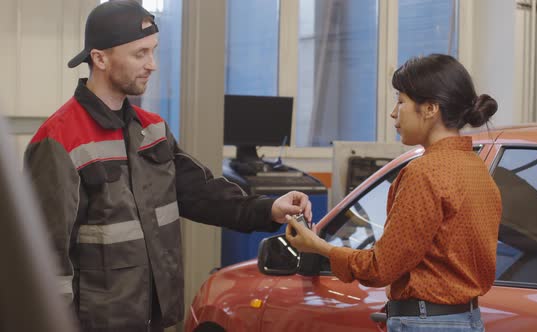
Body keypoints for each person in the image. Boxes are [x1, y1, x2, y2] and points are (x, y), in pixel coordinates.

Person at [23, 1, 311, 331]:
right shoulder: (60, 140)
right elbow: (43, 256)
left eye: (153, 51)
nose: (152, 65)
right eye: (139, 54)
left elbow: (200, 193)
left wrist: (268, 209)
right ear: (99, 58)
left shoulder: (152, 130)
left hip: (153, 318)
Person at [286, 54, 501, 332]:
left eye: (401, 101)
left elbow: (381, 268)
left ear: (430, 109)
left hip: (427, 323)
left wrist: (319, 247)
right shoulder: (477, 169)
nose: (393, 113)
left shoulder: (424, 172)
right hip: (468, 320)